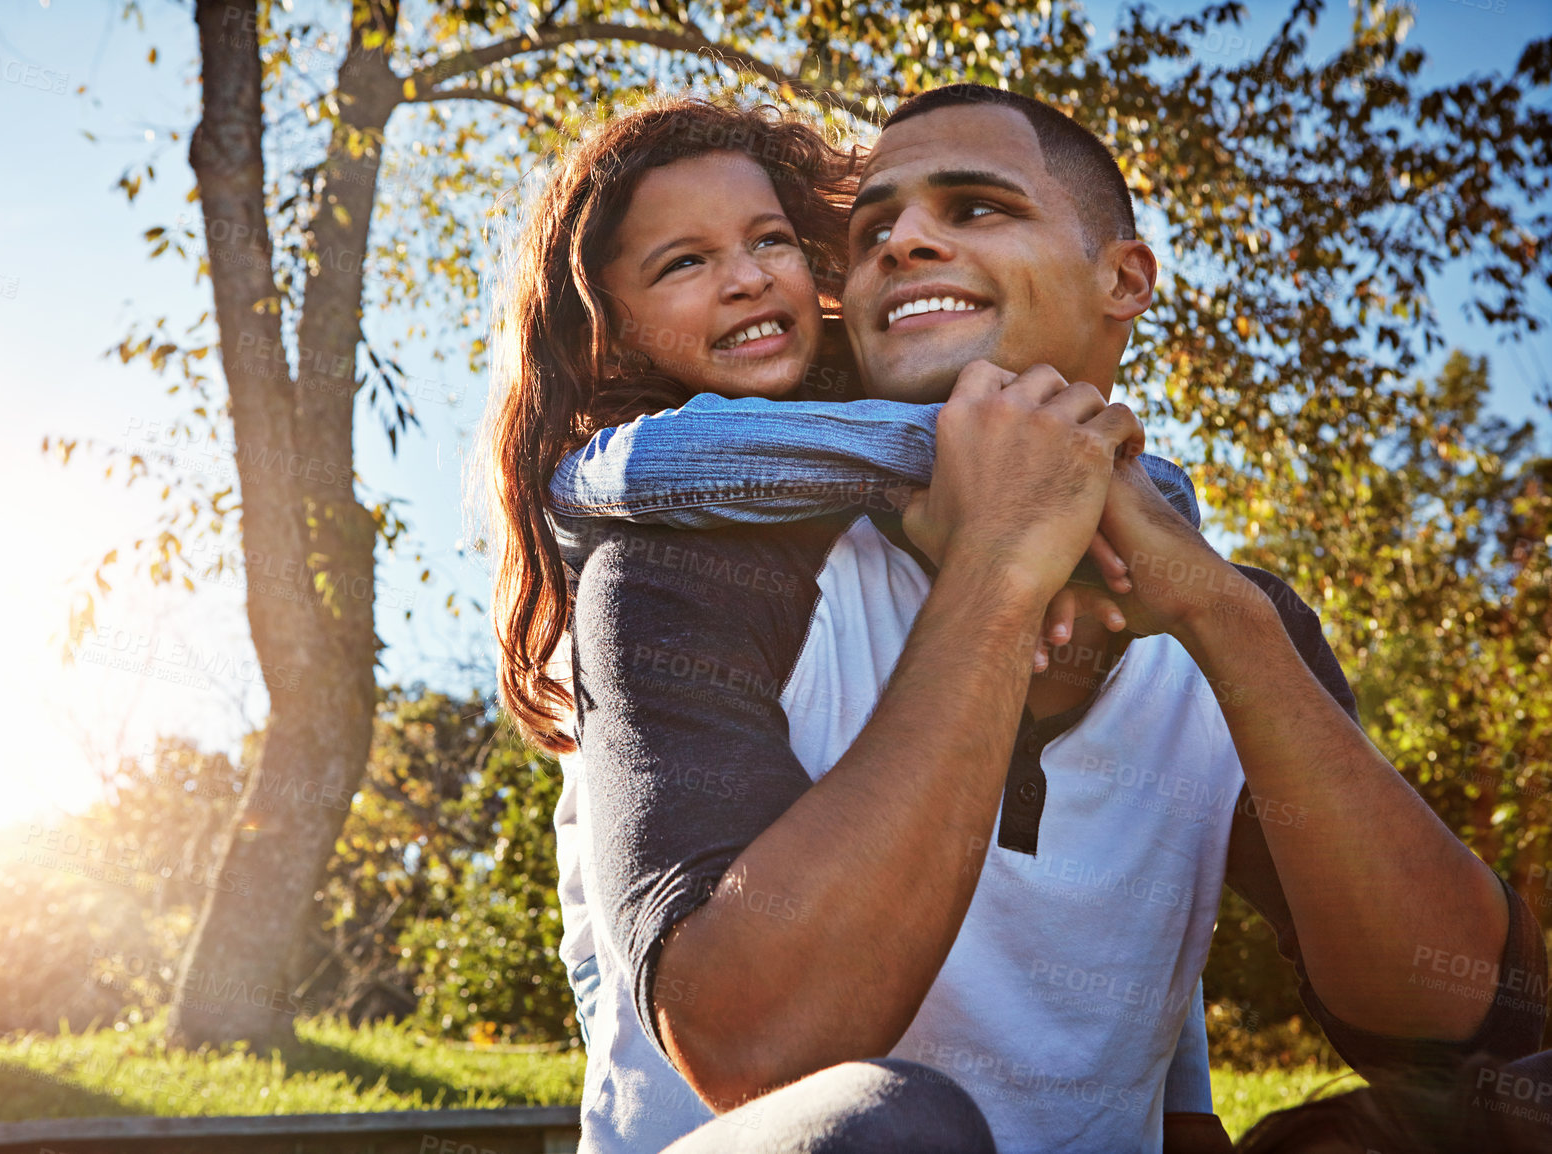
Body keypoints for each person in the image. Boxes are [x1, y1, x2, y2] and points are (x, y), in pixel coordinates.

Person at [495, 89, 1549, 1154]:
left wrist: (1222, 614)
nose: (904, 239)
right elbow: (757, 1046)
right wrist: (1000, 567)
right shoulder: (679, 564)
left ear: (1123, 279)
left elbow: (1469, 1018)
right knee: (888, 1125)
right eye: (871, 233)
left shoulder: (1224, 610)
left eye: (975, 207)